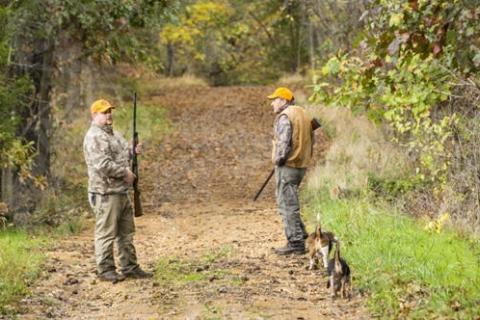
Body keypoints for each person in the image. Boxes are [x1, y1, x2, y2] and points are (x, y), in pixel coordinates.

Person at [83, 99, 152, 282]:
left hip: (120, 191)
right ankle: (105, 270)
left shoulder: (113, 134)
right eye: (104, 112)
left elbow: (122, 154)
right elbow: (103, 165)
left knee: (126, 233)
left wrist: (133, 150)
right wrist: (125, 173)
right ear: (95, 115)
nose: (109, 115)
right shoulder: (94, 137)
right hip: (105, 193)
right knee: (106, 233)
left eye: (109, 112)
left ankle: (129, 267)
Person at [267, 87, 316, 255]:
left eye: (274, 99)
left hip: (288, 166)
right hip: (301, 165)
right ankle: (301, 235)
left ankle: (295, 243)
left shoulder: (285, 116)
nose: (272, 103)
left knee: (287, 204)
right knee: (291, 202)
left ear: (283, 100)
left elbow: (283, 143)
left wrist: (278, 159)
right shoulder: (303, 113)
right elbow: (312, 135)